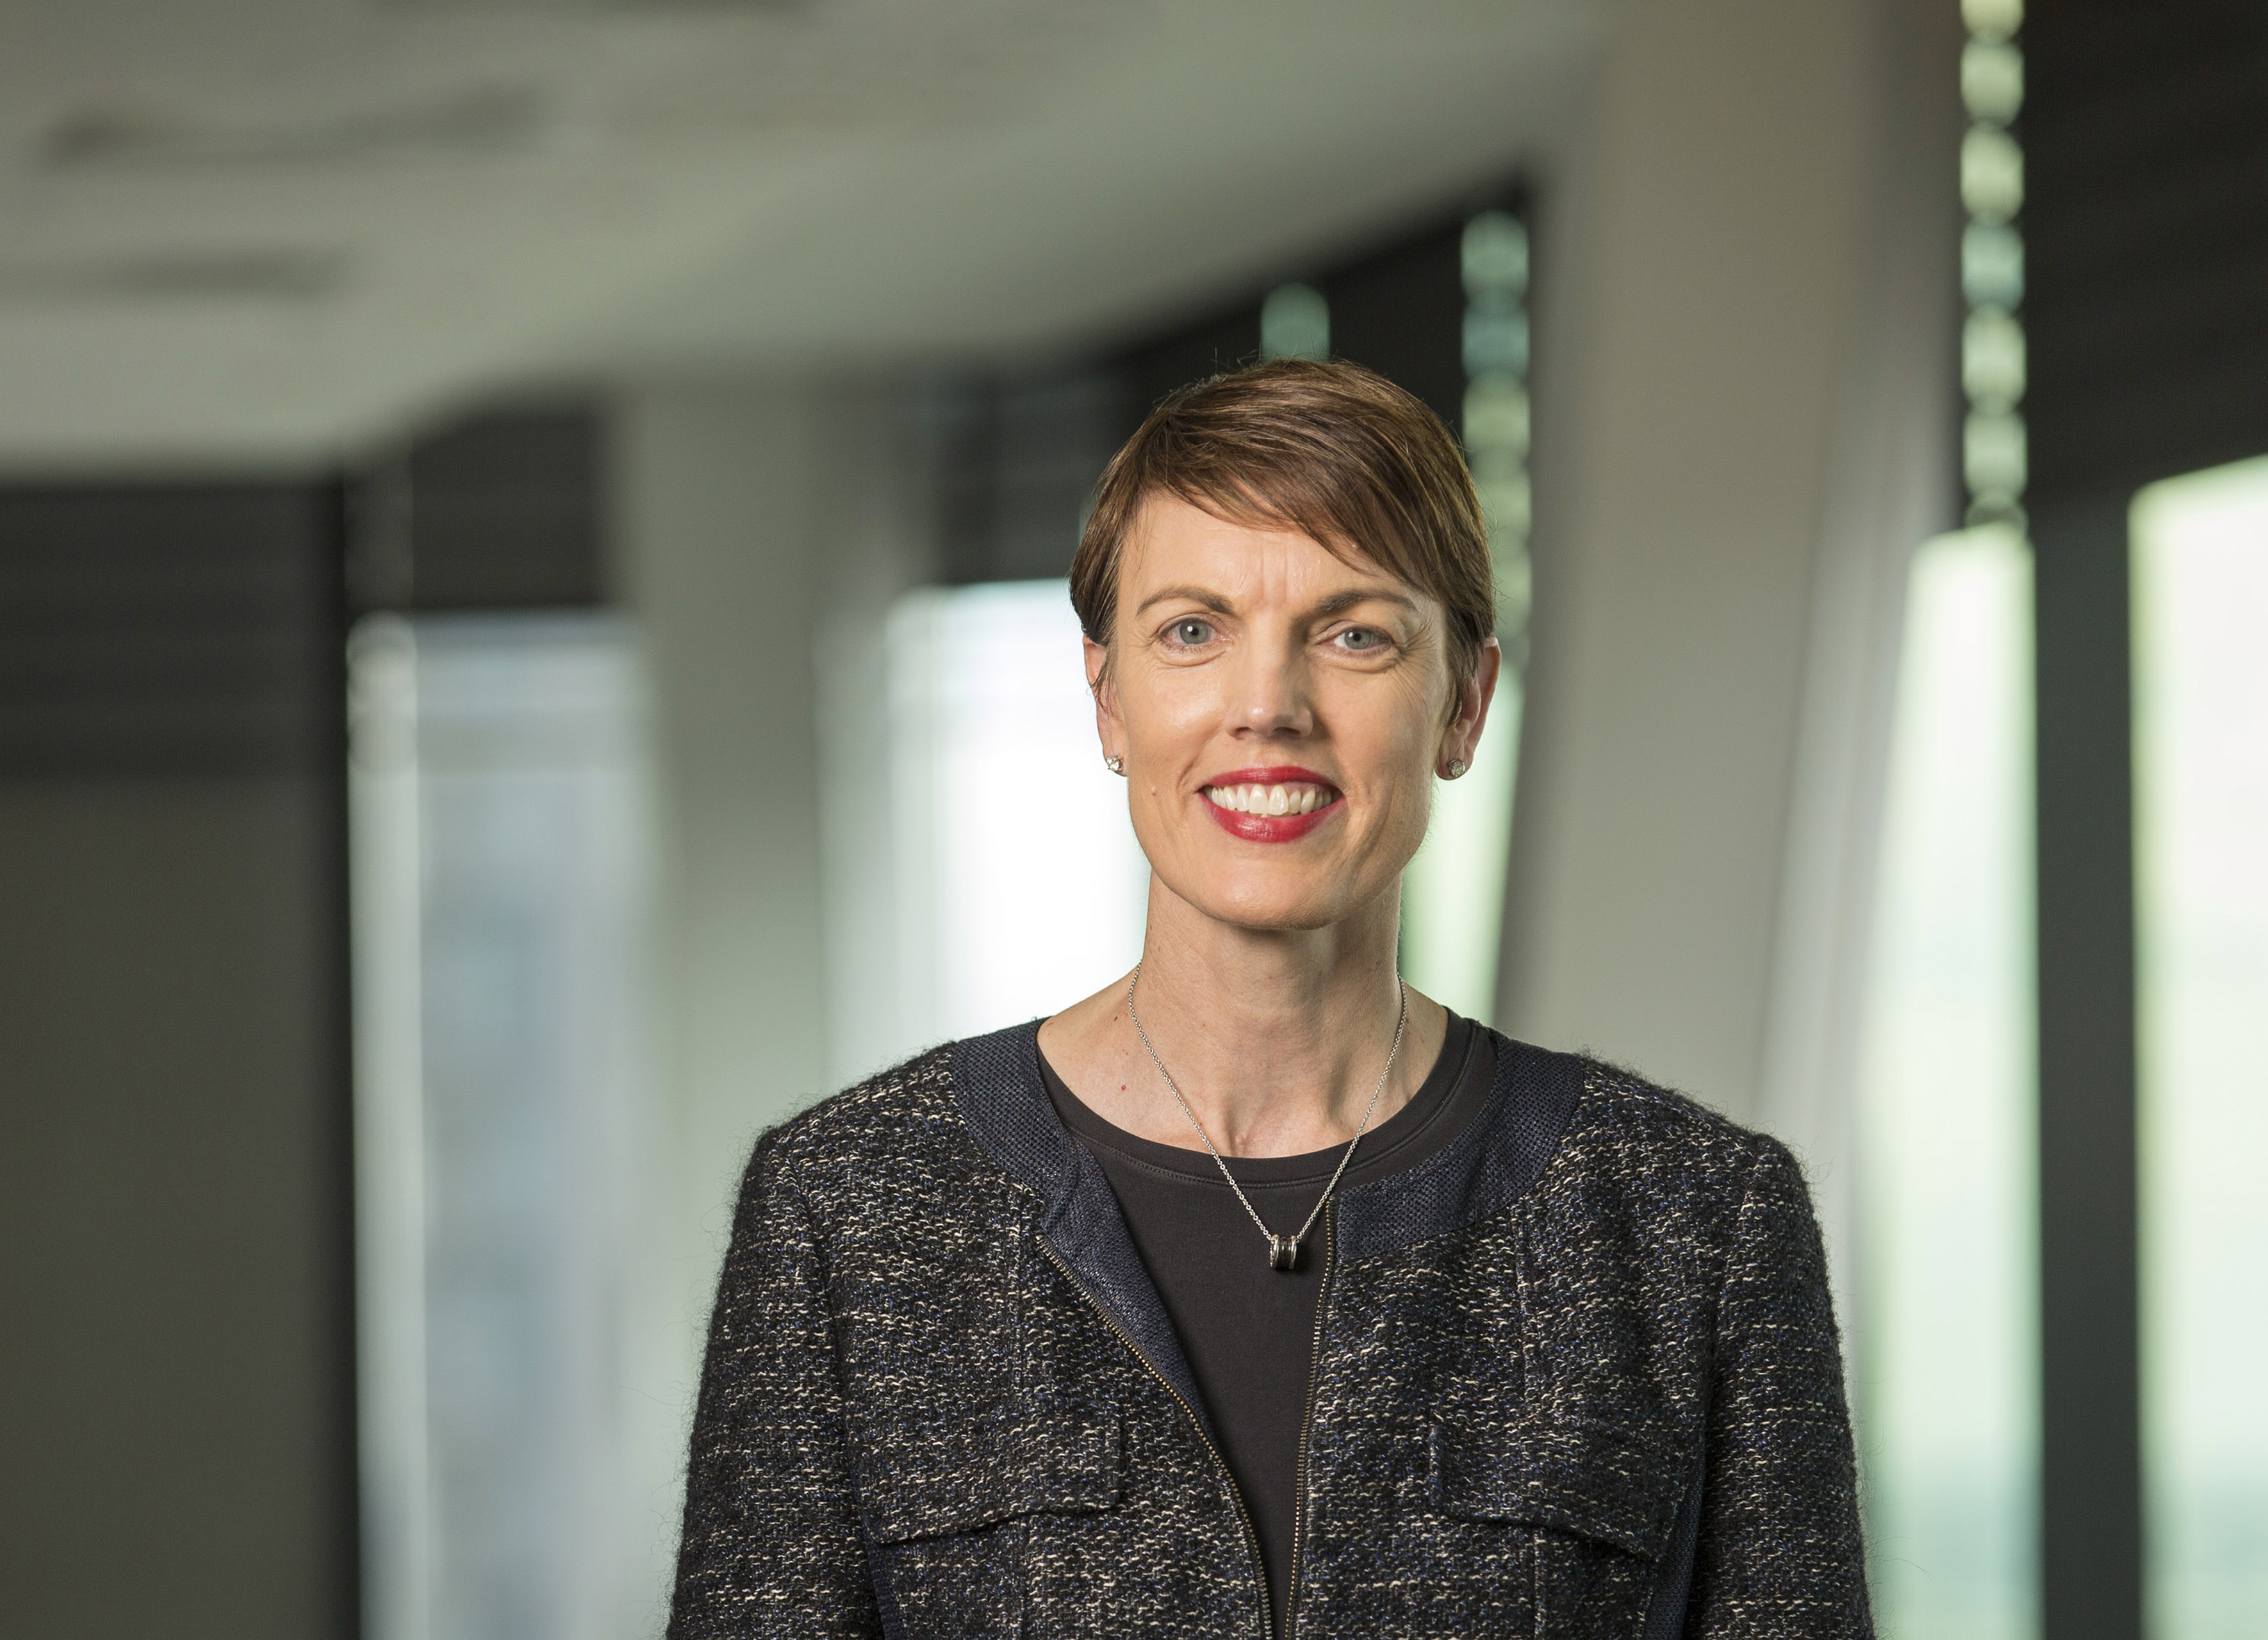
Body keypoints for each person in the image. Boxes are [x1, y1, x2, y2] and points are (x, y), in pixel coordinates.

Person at [670, 359, 1870, 1638]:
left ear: (1463, 704)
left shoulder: (1696, 1220)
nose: (1267, 707)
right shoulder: (847, 1206)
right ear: (1109, 700)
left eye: (1356, 635)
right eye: (1193, 631)